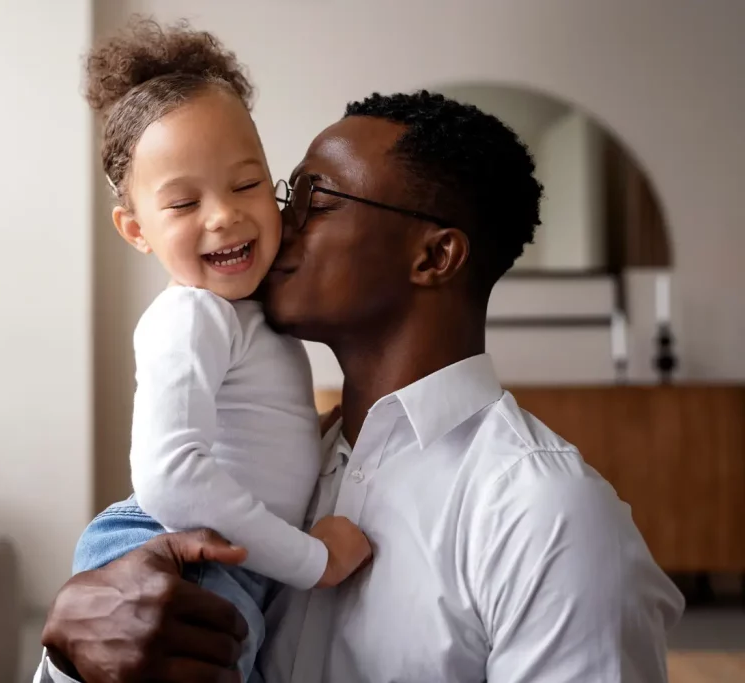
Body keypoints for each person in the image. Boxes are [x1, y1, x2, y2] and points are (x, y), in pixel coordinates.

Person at [37, 88, 685, 682]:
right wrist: (73, 664)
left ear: (434, 256)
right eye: (285, 195)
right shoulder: (271, 466)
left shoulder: (546, 514)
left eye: (315, 200)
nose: (270, 223)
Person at [68, 19, 372, 681]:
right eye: (182, 202)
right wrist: (311, 559)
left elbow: (252, 433)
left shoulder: (248, 316)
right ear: (135, 228)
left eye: (245, 184)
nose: (224, 215)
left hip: (230, 559)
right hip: (177, 549)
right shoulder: (192, 313)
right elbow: (170, 475)